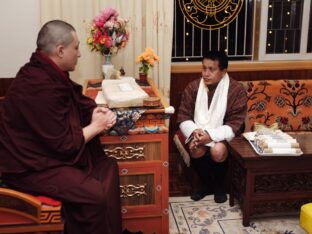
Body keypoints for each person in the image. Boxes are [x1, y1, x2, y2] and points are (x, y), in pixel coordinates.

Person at [0, 20, 122, 234]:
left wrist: (92, 111)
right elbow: (64, 145)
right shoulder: (36, 84)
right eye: (76, 48)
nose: (79, 54)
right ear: (60, 50)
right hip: (29, 166)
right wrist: (96, 126)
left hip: (48, 154)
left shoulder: (47, 72)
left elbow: (73, 98)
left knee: (107, 166)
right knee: (94, 195)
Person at [177, 51, 247, 203]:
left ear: (223, 72)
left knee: (218, 151)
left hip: (223, 135)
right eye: (204, 68)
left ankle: (219, 186)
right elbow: (183, 116)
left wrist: (210, 135)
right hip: (198, 133)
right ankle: (206, 185)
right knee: (195, 148)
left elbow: (235, 124)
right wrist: (195, 132)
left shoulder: (236, 90)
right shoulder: (193, 87)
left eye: (211, 69)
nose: (206, 74)